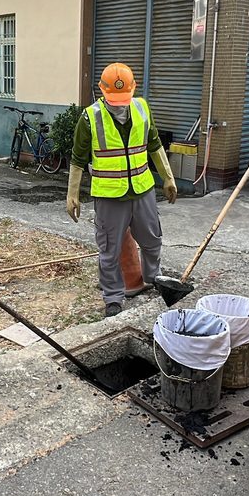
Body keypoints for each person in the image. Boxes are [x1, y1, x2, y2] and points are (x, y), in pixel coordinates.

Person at [66, 63, 178, 318]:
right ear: (102, 91)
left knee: (152, 241)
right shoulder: (90, 117)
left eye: (123, 98)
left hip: (142, 190)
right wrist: (72, 194)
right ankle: (113, 297)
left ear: (134, 90)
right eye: (114, 99)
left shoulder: (141, 108)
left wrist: (168, 178)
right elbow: (77, 158)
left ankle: (153, 278)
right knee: (109, 250)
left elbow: (155, 144)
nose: (119, 104)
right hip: (109, 196)